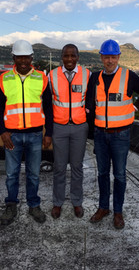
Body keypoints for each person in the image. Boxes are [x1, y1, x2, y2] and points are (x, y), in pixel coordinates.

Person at [86, 39, 139, 229]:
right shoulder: (94, 77)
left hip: (121, 135)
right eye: (106, 57)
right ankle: (103, 207)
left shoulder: (128, 76)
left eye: (113, 57)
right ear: (101, 57)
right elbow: (90, 104)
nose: (110, 61)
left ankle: (118, 211)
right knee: (102, 173)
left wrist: (134, 106)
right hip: (100, 134)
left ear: (118, 57)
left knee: (119, 174)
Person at [0, 39, 52, 225]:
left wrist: (48, 132)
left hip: (35, 135)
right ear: (14, 58)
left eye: (26, 57)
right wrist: (2, 132)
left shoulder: (42, 78)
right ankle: (11, 205)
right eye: (19, 57)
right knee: (11, 174)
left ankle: (34, 205)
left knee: (34, 173)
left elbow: (49, 108)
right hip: (12, 136)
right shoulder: (4, 79)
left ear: (31, 57)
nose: (23, 61)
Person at [48, 44, 90, 219]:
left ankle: (76, 201)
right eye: (66, 56)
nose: (70, 59)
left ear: (78, 57)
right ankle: (57, 202)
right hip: (59, 127)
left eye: (73, 56)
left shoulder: (87, 75)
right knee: (58, 167)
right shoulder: (52, 75)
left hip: (80, 127)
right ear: (62, 57)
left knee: (77, 167)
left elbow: (92, 100)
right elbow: (47, 103)